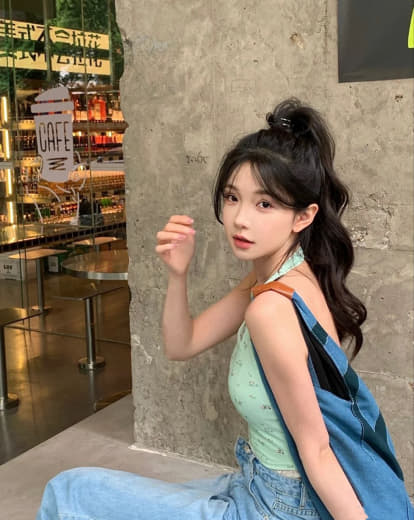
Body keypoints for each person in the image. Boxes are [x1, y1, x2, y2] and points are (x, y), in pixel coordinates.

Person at [36, 99, 413, 520]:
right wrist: (177, 274)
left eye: (265, 204)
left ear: (303, 217)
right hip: (258, 482)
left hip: (279, 506)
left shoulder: (270, 309)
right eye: (232, 197)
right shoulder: (286, 276)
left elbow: (318, 450)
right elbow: (182, 344)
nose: (240, 219)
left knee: (70, 492)